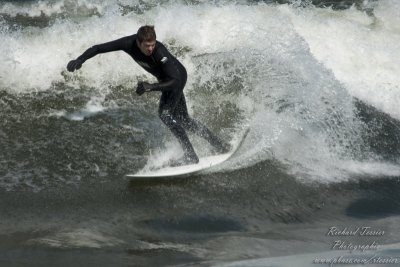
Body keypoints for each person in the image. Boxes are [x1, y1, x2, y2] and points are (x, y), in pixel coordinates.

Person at [67, 25, 230, 166]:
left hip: (177, 78)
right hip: (165, 79)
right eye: (147, 46)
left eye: (152, 45)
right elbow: (98, 48)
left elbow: (174, 81)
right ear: (138, 43)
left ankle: (190, 155)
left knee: (165, 115)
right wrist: (80, 59)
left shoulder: (159, 52)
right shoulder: (128, 44)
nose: (150, 49)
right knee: (184, 119)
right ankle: (218, 144)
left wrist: (150, 87)